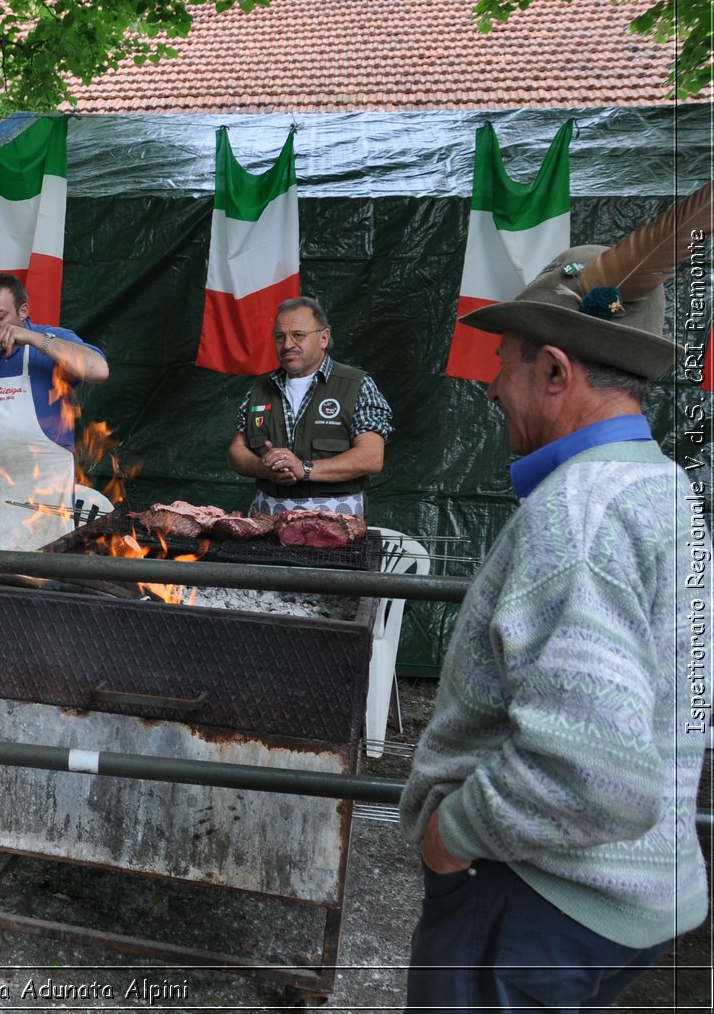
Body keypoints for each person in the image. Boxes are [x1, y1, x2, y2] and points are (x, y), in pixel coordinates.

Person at [398, 235, 708, 1010]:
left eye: (503, 363)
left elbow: (595, 774)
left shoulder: (578, 511)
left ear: (556, 371)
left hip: (532, 897)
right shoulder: (661, 485)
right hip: (618, 896)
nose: (494, 387)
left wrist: (451, 837)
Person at [0, 272, 109, 555]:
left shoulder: (52, 343)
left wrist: (31, 337)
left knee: (41, 592)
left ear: (23, 311)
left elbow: (99, 370)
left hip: (44, 512)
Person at [225, 297, 392, 516]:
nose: (287, 345)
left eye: (298, 335)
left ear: (324, 338)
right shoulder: (259, 389)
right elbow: (236, 451)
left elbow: (371, 457)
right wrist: (263, 469)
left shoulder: (356, 385)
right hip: (267, 519)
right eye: (279, 336)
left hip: (335, 520)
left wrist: (305, 469)